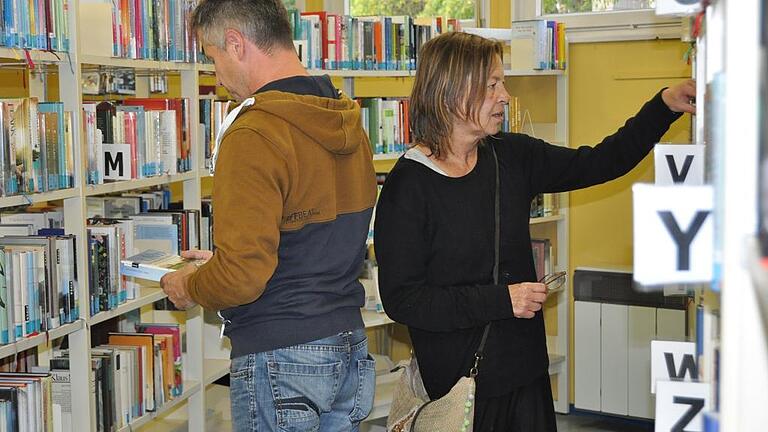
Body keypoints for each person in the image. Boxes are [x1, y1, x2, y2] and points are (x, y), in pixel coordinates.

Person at [373, 31, 695, 431]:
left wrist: (663, 106)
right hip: (461, 390)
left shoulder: (512, 156)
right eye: (492, 85)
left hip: (526, 377)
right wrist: (501, 301)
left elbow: (599, 163)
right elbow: (404, 301)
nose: (505, 95)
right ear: (451, 93)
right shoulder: (409, 185)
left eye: (502, 83)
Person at [159, 0, 378, 430]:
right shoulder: (345, 118)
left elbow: (243, 277)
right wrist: (223, 265)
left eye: (213, 56)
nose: (218, 77)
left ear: (236, 43)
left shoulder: (254, 132)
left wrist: (190, 284)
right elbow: (313, 244)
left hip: (282, 352)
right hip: (347, 342)